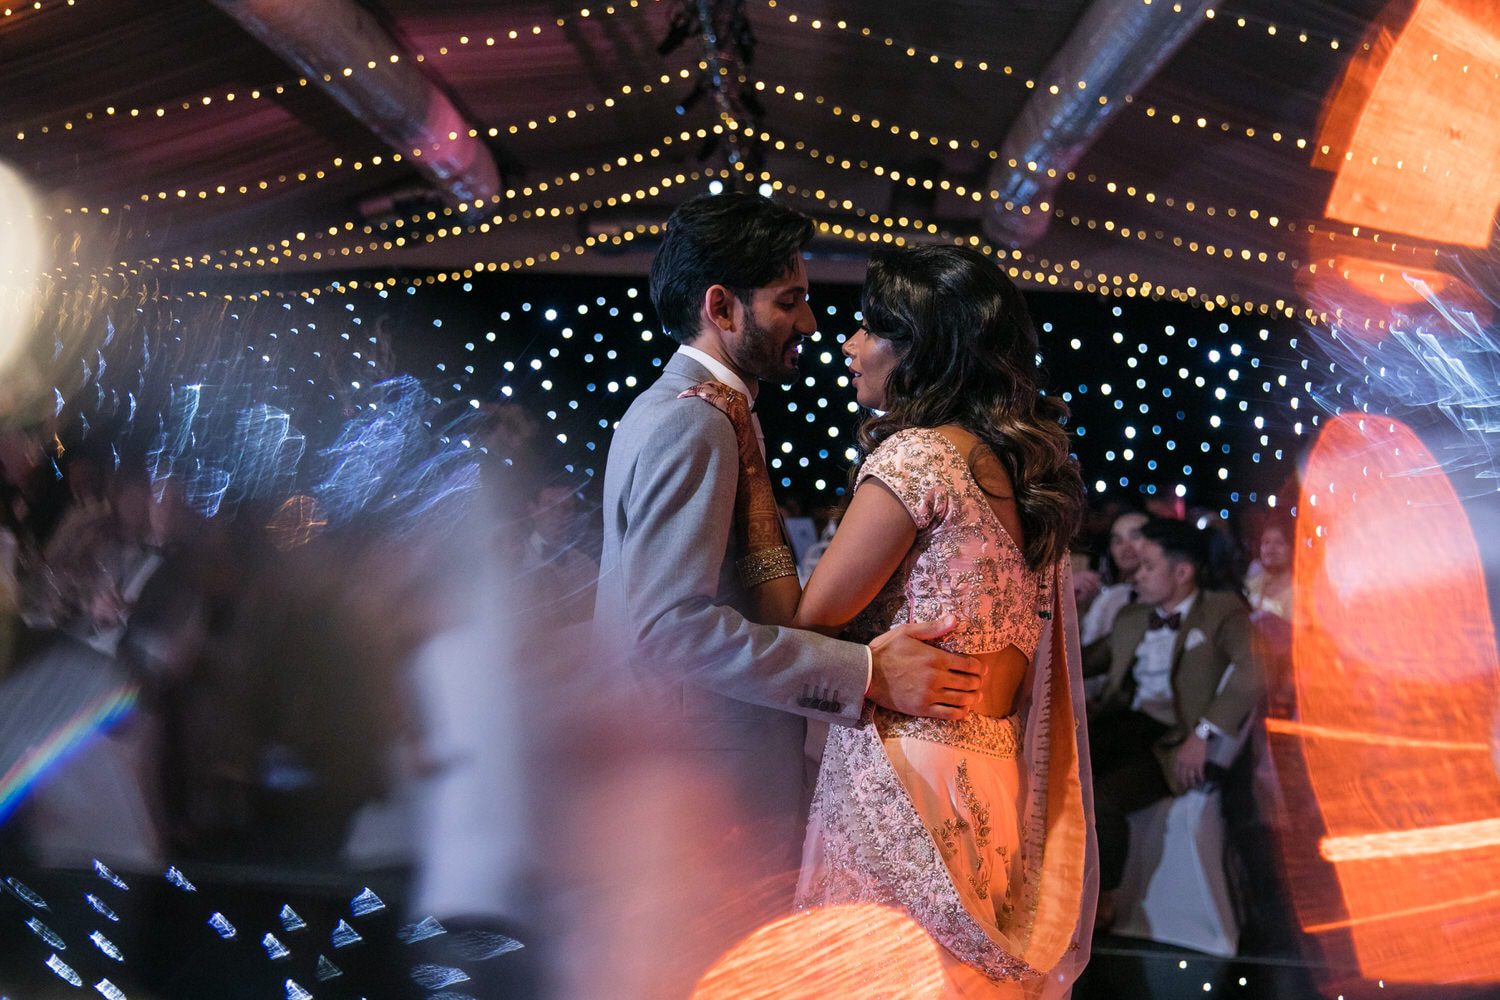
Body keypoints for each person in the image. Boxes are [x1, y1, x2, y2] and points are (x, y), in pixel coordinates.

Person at [591, 193, 987, 991]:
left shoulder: (676, 410)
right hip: (709, 786)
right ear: (719, 305)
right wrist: (866, 674)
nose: (810, 324)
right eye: (790, 300)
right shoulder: (695, 422)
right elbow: (668, 628)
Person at [696, 244, 1096, 997]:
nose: (846, 346)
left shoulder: (917, 459)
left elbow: (804, 622)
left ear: (923, 349)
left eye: (869, 329)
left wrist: (752, 487)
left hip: (903, 777)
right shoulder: (1022, 475)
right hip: (993, 781)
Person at [1083, 517, 1264, 931]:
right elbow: (1085, 658)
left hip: (1170, 739)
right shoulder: (1133, 616)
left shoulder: (1220, 611)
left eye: (1148, 567)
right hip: (1125, 726)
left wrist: (1203, 734)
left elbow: (1255, 672)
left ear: (1182, 572)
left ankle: (1105, 904)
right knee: (1058, 767)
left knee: (1102, 798)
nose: (1138, 574)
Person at [1078, 508, 1148, 648]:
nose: (1126, 547)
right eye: (1117, 540)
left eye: (1135, 537)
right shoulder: (1108, 598)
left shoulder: (1169, 596)